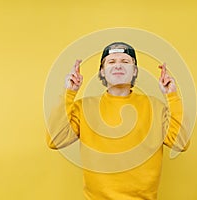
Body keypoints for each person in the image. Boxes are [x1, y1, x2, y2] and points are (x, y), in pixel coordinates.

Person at [46, 42, 189, 200]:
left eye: (125, 61)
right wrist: (69, 93)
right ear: (102, 71)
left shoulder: (155, 107)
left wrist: (172, 95)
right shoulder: (84, 107)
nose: (118, 66)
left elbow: (181, 143)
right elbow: (54, 140)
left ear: (134, 71)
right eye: (111, 62)